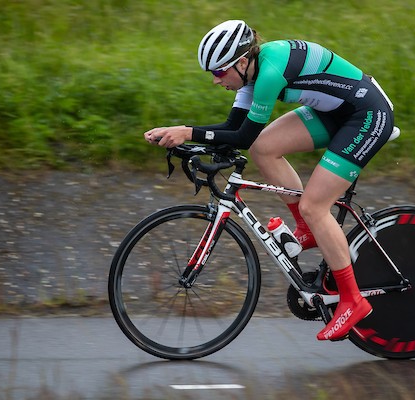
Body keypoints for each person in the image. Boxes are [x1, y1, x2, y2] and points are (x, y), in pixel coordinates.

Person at [144, 20, 396, 341]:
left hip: (367, 114)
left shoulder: (269, 74)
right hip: (336, 113)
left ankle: (352, 300)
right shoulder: (250, 75)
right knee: (265, 148)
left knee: (315, 205)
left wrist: (186, 131)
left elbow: (241, 135)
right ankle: (305, 229)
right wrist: (188, 141)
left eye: (219, 73)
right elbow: (234, 130)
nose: (215, 81)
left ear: (242, 61)